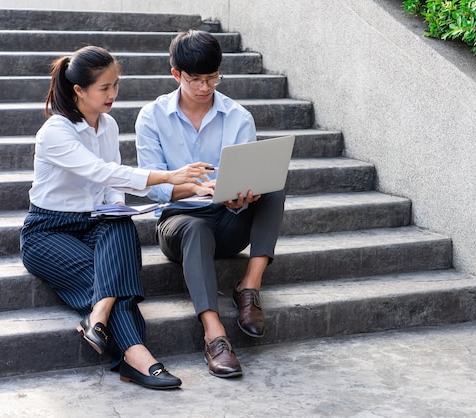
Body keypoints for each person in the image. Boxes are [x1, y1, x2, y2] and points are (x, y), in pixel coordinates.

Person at [20, 45, 214, 390]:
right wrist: (168, 176)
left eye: (116, 84)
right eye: (104, 88)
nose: (113, 94)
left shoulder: (107, 125)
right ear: (79, 90)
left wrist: (119, 206)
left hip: (95, 222)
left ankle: (98, 316)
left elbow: (112, 191)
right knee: (109, 277)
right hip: (48, 231)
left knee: (121, 221)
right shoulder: (56, 132)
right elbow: (102, 171)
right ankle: (137, 356)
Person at [135, 30, 286, 378]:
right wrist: (193, 186)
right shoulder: (152, 116)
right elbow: (152, 187)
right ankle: (214, 333)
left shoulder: (238, 117)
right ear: (176, 75)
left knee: (274, 187)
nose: (205, 87)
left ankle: (249, 287)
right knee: (195, 226)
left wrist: (243, 194)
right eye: (195, 80)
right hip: (179, 222)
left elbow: (248, 176)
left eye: (212, 78)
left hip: (229, 218)